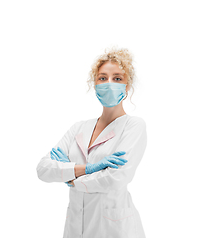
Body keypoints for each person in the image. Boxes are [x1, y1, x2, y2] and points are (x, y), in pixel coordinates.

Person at [36, 46, 147, 238]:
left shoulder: (133, 126)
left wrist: (70, 176)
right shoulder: (79, 128)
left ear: (127, 86)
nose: (109, 83)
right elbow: (44, 169)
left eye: (117, 78)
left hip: (114, 230)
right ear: (94, 84)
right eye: (102, 78)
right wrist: (89, 169)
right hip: (75, 227)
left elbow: (115, 178)